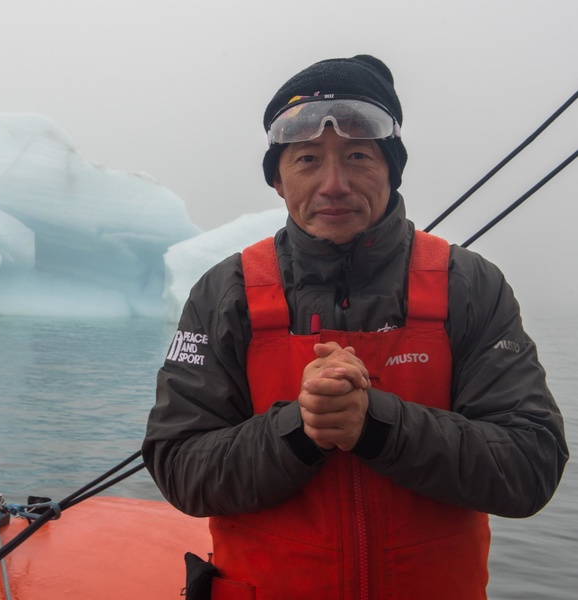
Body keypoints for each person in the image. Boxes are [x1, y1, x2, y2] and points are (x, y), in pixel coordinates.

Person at [142, 55, 568, 600]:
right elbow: (179, 467)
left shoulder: (469, 285)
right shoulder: (226, 294)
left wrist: (378, 425)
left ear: (392, 167)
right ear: (278, 179)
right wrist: (301, 428)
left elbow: (530, 464)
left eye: (359, 156)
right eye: (307, 159)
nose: (333, 184)